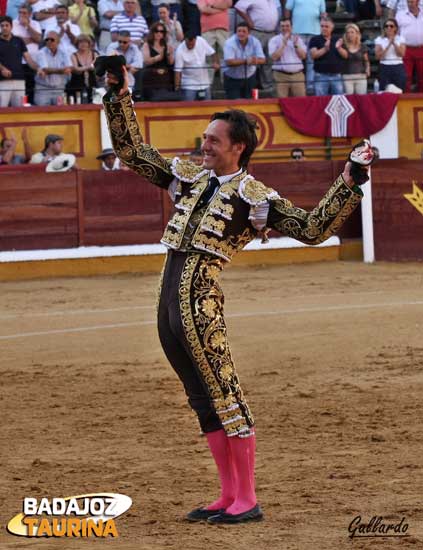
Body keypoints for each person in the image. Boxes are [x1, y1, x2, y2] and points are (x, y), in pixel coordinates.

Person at [103, 64, 370, 525]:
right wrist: (117, 94)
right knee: (201, 398)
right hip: (168, 304)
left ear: (238, 147)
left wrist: (348, 181)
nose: (202, 145)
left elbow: (311, 229)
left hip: (201, 303)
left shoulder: (255, 197)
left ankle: (247, 497)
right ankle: (227, 494)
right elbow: (131, 149)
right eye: (204, 138)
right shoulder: (187, 176)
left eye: (213, 140)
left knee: (226, 394)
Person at [235, 0, 279, 95]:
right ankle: (249, 87)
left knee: (269, 62)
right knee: (253, 60)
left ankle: (268, 88)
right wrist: (249, 21)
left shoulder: (273, 1)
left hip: (271, 34)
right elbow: (239, 7)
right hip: (257, 32)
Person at [284, 0, 327, 95]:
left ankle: (310, 87)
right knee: (295, 59)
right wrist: (287, 26)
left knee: (311, 62)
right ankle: (294, 85)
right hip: (297, 32)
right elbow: (287, 9)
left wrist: (323, 16)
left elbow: (323, 13)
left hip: (315, 32)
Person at [0, 15, 38, 107]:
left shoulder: (19, 40)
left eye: (6, 25)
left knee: (20, 111)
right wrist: (2, 69)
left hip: (19, 80)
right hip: (2, 81)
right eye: (2, 26)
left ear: (11, 26)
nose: (4, 28)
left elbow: (28, 58)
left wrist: (39, 69)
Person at [222, 21, 265, 99]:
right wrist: (246, 60)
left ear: (249, 33)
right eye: (239, 31)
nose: (241, 33)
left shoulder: (255, 41)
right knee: (234, 105)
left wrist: (252, 60)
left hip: (250, 76)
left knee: (250, 103)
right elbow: (229, 62)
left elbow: (262, 60)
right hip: (232, 78)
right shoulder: (229, 43)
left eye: (244, 31)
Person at [268, 17, 307, 97]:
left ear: (291, 27)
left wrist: (296, 45)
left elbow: (303, 56)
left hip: (297, 76)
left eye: (287, 26)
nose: (285, 28)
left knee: (300, 102)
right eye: (282, 26)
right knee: (280, 102)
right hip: (280, 76)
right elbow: (274, 57)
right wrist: (283, 44)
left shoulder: (298, 39)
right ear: (279, 27)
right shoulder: (274, 40)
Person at [12, 4, 42, 104]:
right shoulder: (12, 24)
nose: (21, 15)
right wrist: (31, 39)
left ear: (30, 14)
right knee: (19, 90)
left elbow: (38, 39)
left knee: (30, 88)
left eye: (24, 13)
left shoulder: (35, 24)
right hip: (17, 62)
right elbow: (13, 42)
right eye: (20, 12)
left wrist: (27, 26)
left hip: (32, 62)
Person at [197, 0, 232, 85]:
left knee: (226, 56)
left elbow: (228, 4)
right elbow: (203, 9)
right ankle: (207, 85)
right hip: (207, 30)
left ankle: (226, 83)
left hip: (223, 29)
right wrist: (220, 9)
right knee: (207, 57)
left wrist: (211, 6)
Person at [174, 33, 217, 100]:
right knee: (188, 108)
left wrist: (215, 62)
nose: (190, 46)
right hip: (189, 85)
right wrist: (177, 87)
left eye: (192, 44)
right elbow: (177, 71)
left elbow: (212, 52)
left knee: (208, 107)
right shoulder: (179, 51)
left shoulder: (201, 40)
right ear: (185, 40)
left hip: (204, 83)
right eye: (188, 44)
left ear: (196, 40)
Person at [34, 31, 72, 106]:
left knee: (61, 113)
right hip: (43, 89)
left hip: (59, 88)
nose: (49, 41)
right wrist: (61, 70)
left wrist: (50, 71)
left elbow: (69, 68)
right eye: (47, 40)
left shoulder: (64, 52)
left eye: (52, 39)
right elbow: (45, 69)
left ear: (58, 41)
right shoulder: (41, 52)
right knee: (41, 112)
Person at [309, 16, 344, 96]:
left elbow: (346, 55)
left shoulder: (337, 39)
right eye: (322, 26)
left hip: (336, 76)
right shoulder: (315, 39)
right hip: (320, 76)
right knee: (321, 102)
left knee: (338, 101)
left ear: (332, 27)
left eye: (326, 26)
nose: (324, 28)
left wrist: (339, 48)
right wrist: (325, 49)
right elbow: (313, 55)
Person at [141, 21, 174, 100]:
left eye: (161, 31)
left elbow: (171, 62)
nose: (159, 33)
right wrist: (159, 57)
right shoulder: (147, 45)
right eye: (156, 31)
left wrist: (169, 54)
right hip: (151, 78)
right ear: (152, 32)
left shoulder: (167, 45)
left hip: (164, 79)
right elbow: (146, 61)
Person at [396, 0, 423, 93]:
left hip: (421, 48)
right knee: (406, 76)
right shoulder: (400, 15)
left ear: (418, 2)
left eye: (412, 2)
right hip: (406, 49)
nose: (410, 4)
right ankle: (406, 98)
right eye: (408, 2)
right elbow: (396, 32)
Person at [374, 17, 406, 91]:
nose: (389, 28)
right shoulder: (379, 39)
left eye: (391, 26)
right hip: (384, 66)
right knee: (384, 90)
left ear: (395, 28)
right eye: (386, 26)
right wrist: (388, 45)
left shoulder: (401, 39)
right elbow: (378, 56)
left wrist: (394, 43)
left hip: (398, 66)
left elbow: (401, 54)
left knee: (399, 89)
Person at [337, 23, 370, 94]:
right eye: (348, 32)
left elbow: (366, 60)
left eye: (352, 32)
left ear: (357, 34)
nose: (350, 34)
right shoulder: (343, 46)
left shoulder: (362, 46)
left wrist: (368, 69)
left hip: (360, 76)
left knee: (361, 99)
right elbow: (345, 56)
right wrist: (339, 47)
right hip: (347, 76)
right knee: (349, 99)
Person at [66, 34, 98, 103]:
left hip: (92, 86)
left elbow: (97, 67)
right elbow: (76, 69)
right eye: (81, 42)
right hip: (76, 86)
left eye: (85, 42)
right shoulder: (73, 55)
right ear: (77, 44)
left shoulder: (94, 54)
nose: (83, 44)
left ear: (89, 44)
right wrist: (89, 67)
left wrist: (83, 68)